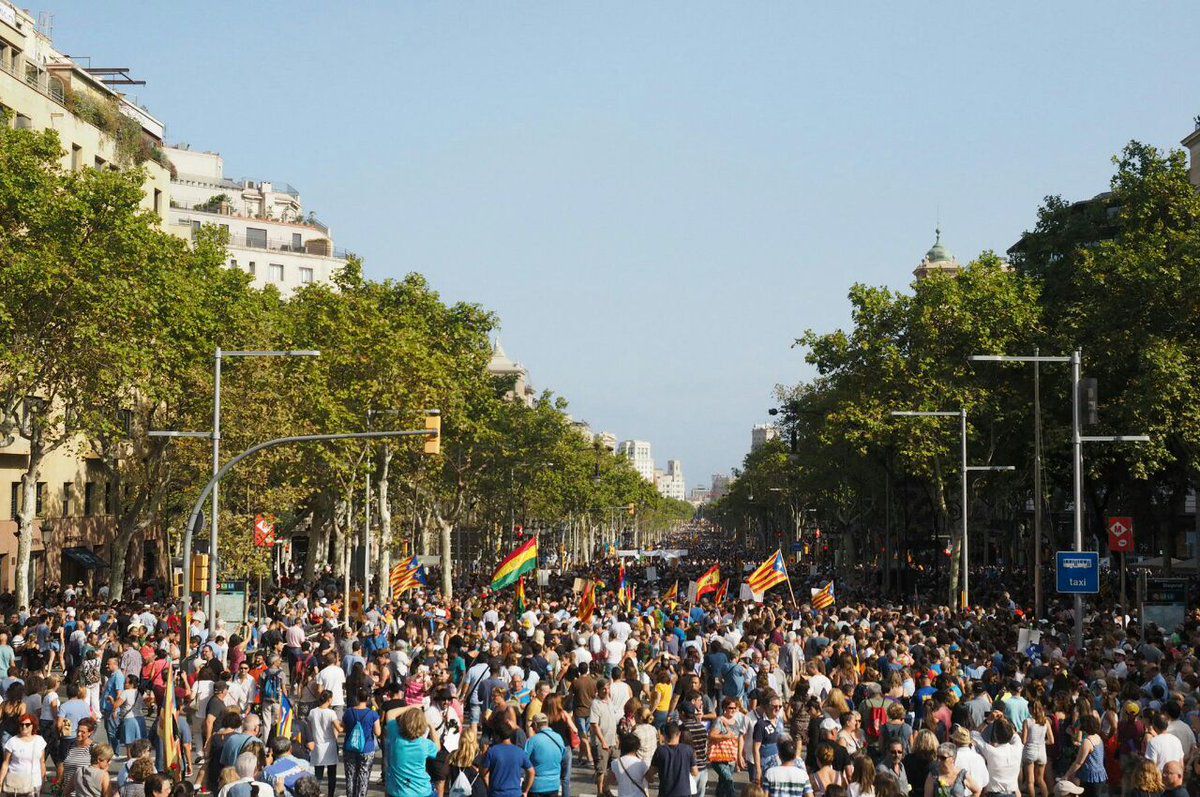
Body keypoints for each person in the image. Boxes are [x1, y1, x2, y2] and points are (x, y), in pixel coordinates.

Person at [385, 707, 438, 797]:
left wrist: (411, 706)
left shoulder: (396, 738)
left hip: (398, 792)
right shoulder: (425, 744)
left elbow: (390, 713)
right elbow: (437, 747)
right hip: (421, 791)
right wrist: (431, 726)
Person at [341, 687, 381, 797]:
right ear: (368, 698)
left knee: (350, 776)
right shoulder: (372, 714)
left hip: (350, 747)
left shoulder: (348, 712)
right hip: (367, 749)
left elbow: (343, 729)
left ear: (357, 697)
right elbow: (378, 732)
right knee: (363, 777)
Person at [305, 690, 342, 797]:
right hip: (329, 744)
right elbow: (339, 729)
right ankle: (331, 794)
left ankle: (316, 793)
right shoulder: (331, 713)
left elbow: (309, 727)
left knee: (318, 774)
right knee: (332, 774)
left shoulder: (313, 712)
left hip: (317, 745)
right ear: (329, 700)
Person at [648, 721, 698, 797]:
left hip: (665, 793)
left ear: (664, 735)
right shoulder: (687, 750)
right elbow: (695, 772)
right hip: (684, 793)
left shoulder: (660, 751)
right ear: (679, 734)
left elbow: (650, 773)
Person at [0, 712, 45, 796]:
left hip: (34, 783)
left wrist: (43, 779)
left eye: (27, 724)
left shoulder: (40, 740)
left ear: (33, 726)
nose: (24, 726)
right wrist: (0, 782)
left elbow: (42, 762)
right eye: (22, 724)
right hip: (15, 784)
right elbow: (6, 763)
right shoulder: (12, 741)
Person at [482, 725, 534, 797]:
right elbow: (531, 772)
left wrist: (489, 789)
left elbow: (484, 774)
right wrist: (526, 791)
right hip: (515, 793)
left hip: (497, 793)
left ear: (497, 735)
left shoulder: (492, 751)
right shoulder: (519, 752)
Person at [710, 698, 747, 797]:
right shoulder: (719, 720)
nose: (733, 710)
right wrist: (725, 736)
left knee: (723, 782)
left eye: (735, 708)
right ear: (724, 708)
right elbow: (712, 735)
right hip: (719, 757)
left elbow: (739, 739)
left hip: (730, 757)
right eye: (731, 708)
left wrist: (740, 757)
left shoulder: (736, 722)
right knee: (728, 780)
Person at [1062, 715, 1105, 797]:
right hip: (1100, 775)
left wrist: (1066, 775)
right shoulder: (1098, 737)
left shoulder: (1087, 741)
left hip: (1089, 777)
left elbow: (1078, 762)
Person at [524, 713, 565, 797]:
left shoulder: (532, 741)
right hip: (554, 784)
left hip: (536, 786)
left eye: (533, 726)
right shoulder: (559, 738)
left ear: (535, 724)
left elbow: (524, 761)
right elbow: (563, 757)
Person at [1022, 700, 1054, 797]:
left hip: (1030, 751)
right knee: (1040, 779)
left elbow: (1024, 741)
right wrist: (1042, 742)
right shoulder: (1046, 722)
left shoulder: (1027, 721)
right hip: (1041, 752)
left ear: (1031, 709)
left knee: (1030, 782)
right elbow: (1051, 741)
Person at [611, 732, 650, 797]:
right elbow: (651, 779)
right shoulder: (641, 763)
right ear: (637, 747)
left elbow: (610, 781)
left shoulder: (615, 762)